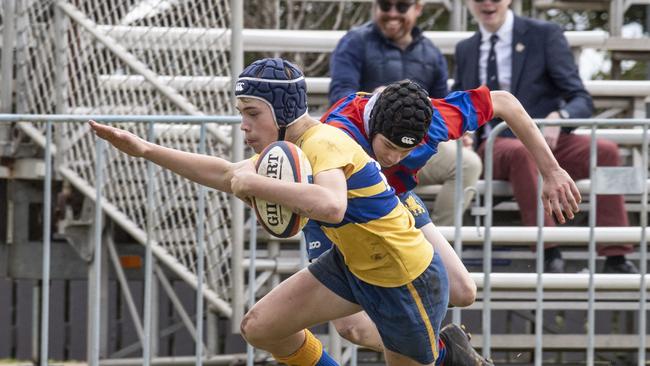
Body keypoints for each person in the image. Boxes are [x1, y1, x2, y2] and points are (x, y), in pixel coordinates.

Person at [90, 57, 502, 366]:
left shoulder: (325, 141)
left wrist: (255, 184)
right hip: (354, 265)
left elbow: (331, 203)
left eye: (252, 114)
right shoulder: (292, 150)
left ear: (284, 112)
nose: (244, 126)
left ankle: (456, 357)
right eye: (241, 115)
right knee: (261, 327)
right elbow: (226, 172)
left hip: (403, 276)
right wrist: (144, 149)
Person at [308, 79, 582, 362]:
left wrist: (552, 171)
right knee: (353, 328)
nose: (394, 157)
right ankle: (445, 356)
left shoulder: (435, 119)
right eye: (389, 145)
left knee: (463, 291)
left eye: (406, 151)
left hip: (394, 201)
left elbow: (505, 102)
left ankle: (443, 350)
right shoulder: (338, 132)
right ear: (373, 125)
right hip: (337, 215)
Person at [453, 0, 637, 273]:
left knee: (607, 151)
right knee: (522, 152)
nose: (487, 3)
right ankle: (549, 249)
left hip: (549, 142)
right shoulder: (466, 48)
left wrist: (560, 119)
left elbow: (580, 98)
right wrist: (461, 133)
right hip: (496, 146)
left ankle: (616, 254)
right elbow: (459, 104)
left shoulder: (544, 34)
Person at [328, 0, 483, 226]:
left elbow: (441, 103)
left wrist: (461, 134)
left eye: (402, 7)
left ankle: (437, 242)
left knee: (467, 162)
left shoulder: (431, 52)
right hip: (366, 146)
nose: (392, 14)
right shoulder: (354, 42)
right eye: (385, 5)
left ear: (418, 8)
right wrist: (374, 99)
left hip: (414, 146)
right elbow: (340, 97)